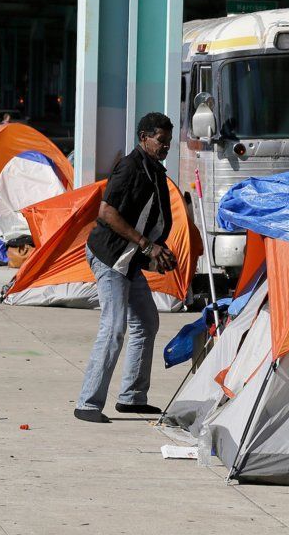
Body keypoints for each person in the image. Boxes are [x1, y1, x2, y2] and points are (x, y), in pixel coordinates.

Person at [74, 112, 177, 423]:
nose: (166, 147)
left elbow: (152, 218)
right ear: (143, 137)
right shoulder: (130, 166)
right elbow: (106, 212)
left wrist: (158, 250)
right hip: (110, 258)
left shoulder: (154, 170)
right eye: (161, 141)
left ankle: (132, 398)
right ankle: (87, 404)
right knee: (114, 326)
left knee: (146, 322)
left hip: (129, 260)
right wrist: (146, 245)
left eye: (169, 142)